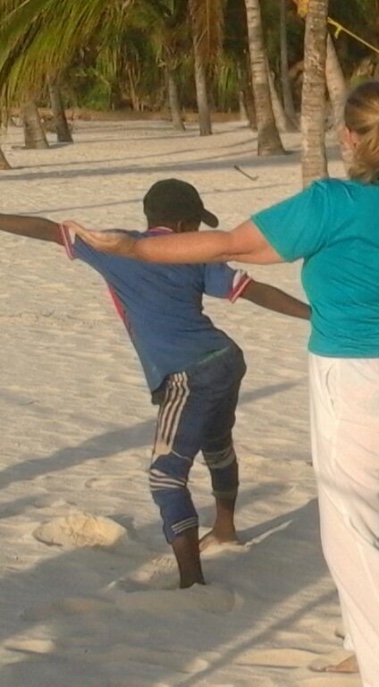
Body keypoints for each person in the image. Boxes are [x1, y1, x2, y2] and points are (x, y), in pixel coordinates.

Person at [70, 79, 379, 687]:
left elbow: (228, 243)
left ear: (347, 136)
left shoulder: (327, 202)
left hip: (362, 387)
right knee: (372, 518)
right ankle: (364, 645)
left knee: (356, 536)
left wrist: (133, 247)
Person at [0, 179, 311, 589]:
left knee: (165, 476)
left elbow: (48, 230)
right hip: (227, 362)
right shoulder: (195, 257)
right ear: (182, 223)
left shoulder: (115, 248)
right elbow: (254, 292)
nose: (198, 235)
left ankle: (191, 582)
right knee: (217, 446)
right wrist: (313, 315)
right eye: (197, 226)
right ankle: (225, 529)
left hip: (188, 373)